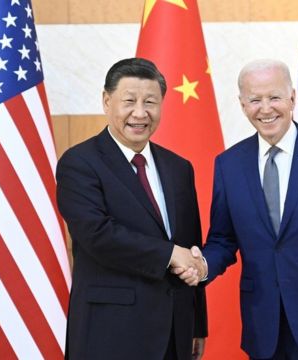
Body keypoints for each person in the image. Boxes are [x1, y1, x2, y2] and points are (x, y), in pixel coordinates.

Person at [178, 59, 298, 360]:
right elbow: (223, 240)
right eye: (255, 100)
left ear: (292, 98)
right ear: (243, 105)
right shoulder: (229, 164)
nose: (265, 108)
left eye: (274, 97)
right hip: (263, 329)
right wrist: (202, 265)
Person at [56, 58, 207, 360]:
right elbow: (97, 235)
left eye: (150, 102)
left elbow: (191, 246)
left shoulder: (179, 168)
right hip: (110, 332)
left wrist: (197, 324)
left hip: (174, 332)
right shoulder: (79, 163)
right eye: (129, 101)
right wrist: (167, 254)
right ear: (106, 101)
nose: (140, 113)